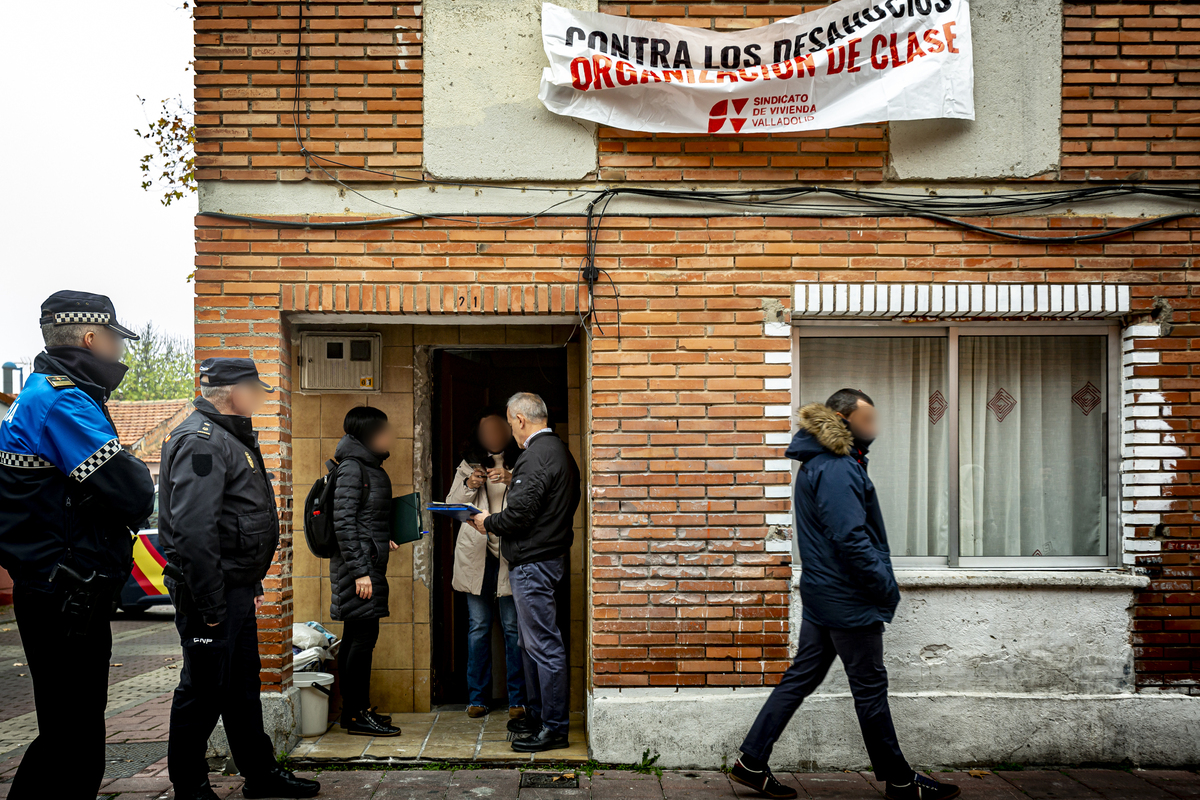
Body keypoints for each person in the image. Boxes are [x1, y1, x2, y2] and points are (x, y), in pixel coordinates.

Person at [730, 390, 959, 800]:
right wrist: (883, 585)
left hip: (825, 593)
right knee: (869, 689)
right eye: (867, 420)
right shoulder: (836, 467)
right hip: (847, 598)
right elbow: (851, 538)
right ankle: (901, 781)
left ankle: (751, 761)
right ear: (842, 418)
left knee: (802, 676)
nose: (874, 429)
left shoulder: (825, 463)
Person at [0, 291, 155, 800]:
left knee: (70, 731)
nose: (118, 351)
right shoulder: (62, 399)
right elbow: (132, 489)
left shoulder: (48, 393)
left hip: (63, 590)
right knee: (72, 737)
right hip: (62, 594)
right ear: (92, 338)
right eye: (114, 338)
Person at [158, 358, 320, 800]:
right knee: (202, 691)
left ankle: (261, 775)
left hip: (233, 589)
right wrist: (211, 603)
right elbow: (194, 530)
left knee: (242, 687)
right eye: (257, 390)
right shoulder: (203, 441)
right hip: (211, 595)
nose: (260, 399)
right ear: (235, 391)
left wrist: (249, 582)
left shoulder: (227, 437)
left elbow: (232, 520)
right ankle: (190, 788)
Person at [469, 392, 579, 753]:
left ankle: (553, 728)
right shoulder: (560, 453)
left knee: (543, 647)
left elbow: (519, 515)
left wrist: (489, 521)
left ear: (519, 420)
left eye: (509, 422)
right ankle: (537, 716)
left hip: (534, 564)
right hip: (543, 560)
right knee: (529, 644)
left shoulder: (536, 456)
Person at [444, 406, 526, 720]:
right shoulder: (468, 464)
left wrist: (511, 479)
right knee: (477, 629)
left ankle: (518, 700)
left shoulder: (522, 462)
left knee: (512, 629)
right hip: (476, 556)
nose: (492, 436)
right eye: (485, 431)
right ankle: (477, 698)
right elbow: (452, 506)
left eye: (497, 429)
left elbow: (531, 503)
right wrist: (470, 485)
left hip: (509, 555)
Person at [329, 406, 402, 736]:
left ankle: (353, 711)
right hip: (357, 569)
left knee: (357, 638)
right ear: (369, 434)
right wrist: (360, 572)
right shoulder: (352, 469)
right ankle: (357, 715)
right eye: (384, 430)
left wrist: (382, 537)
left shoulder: (367, 466)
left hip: (365, 563)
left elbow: (362, 519)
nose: (390, 436)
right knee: (361, 640)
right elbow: (342, 523)